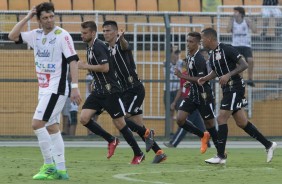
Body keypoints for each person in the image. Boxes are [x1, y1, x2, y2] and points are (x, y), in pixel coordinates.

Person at [8, 2, 82, 180]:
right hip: (43, 89)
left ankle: (49, 164)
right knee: (52, 127)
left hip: (56, 88)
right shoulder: (36, 35)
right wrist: (27, 17)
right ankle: (62, 170)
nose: (49, 20)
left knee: (37, 123)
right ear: (39, 21)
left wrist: (75, 87)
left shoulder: (62, 35)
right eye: (45, 18)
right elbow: (12, 36)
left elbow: (73, 61)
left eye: (51, 17)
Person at [199, 27, 277, 164]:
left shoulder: (227, 48)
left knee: (221, 118)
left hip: (235, 87)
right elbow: (217, 73)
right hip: (228, 89)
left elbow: (244, 64)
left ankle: (221, 156)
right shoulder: (212, 55)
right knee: (241, 122)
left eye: (202, 38)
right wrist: (205, 78)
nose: (201, 41)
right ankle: (269, 145)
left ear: (210, 39)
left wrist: (228, 75)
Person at [78, 20, 145, 164]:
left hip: (110, 91)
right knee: (84, 118)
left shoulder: (98, 46)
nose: (82, 35)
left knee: (120, 124)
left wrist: (85, 66)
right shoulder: (89, 47)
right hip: (98, 91)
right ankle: (111, 139)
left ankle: (138, 153)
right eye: (81, 33)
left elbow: (105, 67)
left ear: (93, 33)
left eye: (85, 33)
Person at [102, 20, 167, 163]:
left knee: (121, 118)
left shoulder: (120, 44)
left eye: (108, 30)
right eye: (104, 31)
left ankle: (148, 134)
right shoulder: (108, 51)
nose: (105, 33)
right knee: (138, 127)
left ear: (115, 31)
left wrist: (122, 37)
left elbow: (126, 46)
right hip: (125, 92)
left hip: (134, 89)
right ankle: (159, 152)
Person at [173, 32, 219, 155]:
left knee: (210, 123)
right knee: (180, 119)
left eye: (191, 42)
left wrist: (182, 76)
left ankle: (221, 150)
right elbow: (194, 77)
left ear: (198, 43)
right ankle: (202, 135)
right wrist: (190, 83)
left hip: (204, 95)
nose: (188, 44)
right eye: (187, 41)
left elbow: (202, 78)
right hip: (193, 94)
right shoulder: (189, 57)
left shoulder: (199, 59)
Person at [164, 64, 208, 148]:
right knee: (199, 125)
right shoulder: (183, 74)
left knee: (183, 124)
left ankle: (173, 143)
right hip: (186, 101)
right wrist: (174, 102)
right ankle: (207, 143)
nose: (186, 64)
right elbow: (181, 89)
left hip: (193, 101)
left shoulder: (195, 75)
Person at [227, 6, 257, 87]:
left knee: (250, 60)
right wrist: (230, 21)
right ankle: (241, 80)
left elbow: (255, 30)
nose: (234, 13)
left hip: (246, 45)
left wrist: (251, 22)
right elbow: (227, 30)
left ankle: (250, 79)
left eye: (235, 12)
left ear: (240, 13)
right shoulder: (233, 21)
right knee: (238, 64)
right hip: (236, 45)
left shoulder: (246, 21)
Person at [163, 47, 183, 137]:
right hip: (168, 90)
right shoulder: (166, 62)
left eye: (178, 53)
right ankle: (170, 132)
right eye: (175, 53)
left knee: (180, 113)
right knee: (169, 113)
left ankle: (180, 132)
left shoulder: (180, 62)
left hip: (178, 90)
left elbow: (186, 64)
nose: (177, 55)